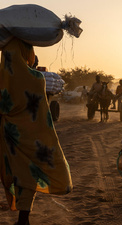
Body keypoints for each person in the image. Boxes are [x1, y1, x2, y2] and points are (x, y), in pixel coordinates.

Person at [0, 38, 72, 225]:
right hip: (32, 137)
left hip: (7, 136)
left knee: (14, 173)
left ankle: (23, 218)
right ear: (28, 54)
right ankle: (24, 217)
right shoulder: (38, 80)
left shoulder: (1, 78)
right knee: (27, 174)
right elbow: (42, 113)